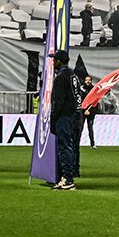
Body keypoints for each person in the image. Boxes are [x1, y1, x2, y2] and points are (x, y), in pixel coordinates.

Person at [48, 50, 80, 189]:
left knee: (64, 146)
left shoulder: (61, 77)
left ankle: (67, 179)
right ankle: (67, 176)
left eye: (54, 59)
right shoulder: (72, 74)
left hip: (64, 116)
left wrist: (53, 118)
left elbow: (58, 100)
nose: (53, 62)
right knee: (69, 146)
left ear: (59, 61)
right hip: (73, 115)